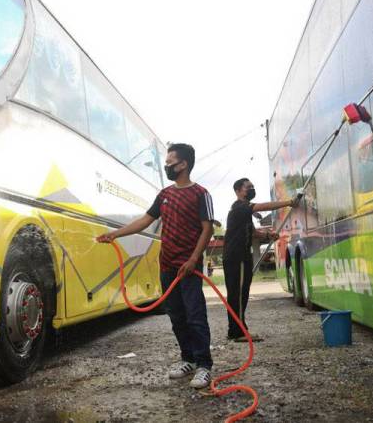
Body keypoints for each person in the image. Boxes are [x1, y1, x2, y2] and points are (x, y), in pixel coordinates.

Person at [96, 143, 215, 389]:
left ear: (183, 164)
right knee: (177, 317)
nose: (167, 166)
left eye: (171, 162)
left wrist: (193, 260)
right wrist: (115, 234)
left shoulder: (201, 193)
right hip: (167, 267)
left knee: (195, 317)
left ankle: (204, 366)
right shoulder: (164, 195)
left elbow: (208, 228)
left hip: (189, 268)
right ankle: (188, 360)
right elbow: (144, 221)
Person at [223, 178, 299, 342]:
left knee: (240, 293)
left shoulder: (243, 212)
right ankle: (238, 332)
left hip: (240, 256)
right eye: (247, 187)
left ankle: (236, 329)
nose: (251, 189)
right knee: (239, 294)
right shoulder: (240, 207)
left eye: (253, 186)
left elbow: (252, 232)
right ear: (238, 191)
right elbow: (264, 206)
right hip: (236, 257)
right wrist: (289, 202)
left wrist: (267, 235)